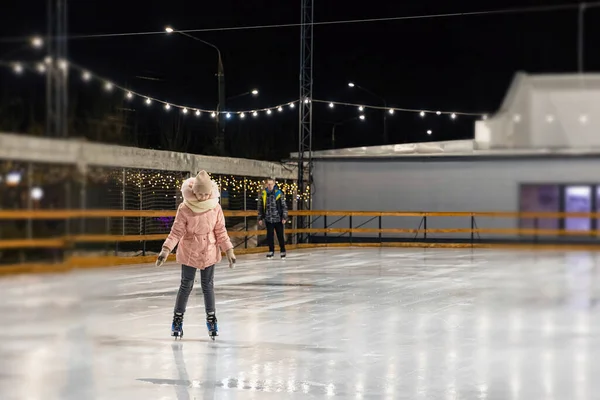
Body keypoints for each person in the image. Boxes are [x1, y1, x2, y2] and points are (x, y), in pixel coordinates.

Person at [156, 170, 236, 340]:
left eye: (206, 193)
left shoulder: (215, 206)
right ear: (194, 191)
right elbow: (176, 232)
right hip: (190, 251)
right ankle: (177, 320)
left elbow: (220, 230)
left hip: (209, 250)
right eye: (199, 194)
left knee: (208, 285)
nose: (202, 197)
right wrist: (166, 249)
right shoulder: (185, 207)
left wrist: (229, 249)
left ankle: (211, 319)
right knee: (186, 284)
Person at [258, 178, 288, 259]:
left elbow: (284, 206)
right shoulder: (264, 194)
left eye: (271, 184)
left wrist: (284, 217)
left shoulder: (278, 193)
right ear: (266, 185)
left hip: (278, 218)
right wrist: (260, 217)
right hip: (269, 219)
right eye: (268, 184)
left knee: (280, 235)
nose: (270, 186)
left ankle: (282, 251)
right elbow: (260, 207)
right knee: (270, 236)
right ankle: (271, 251)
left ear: (274, 184)